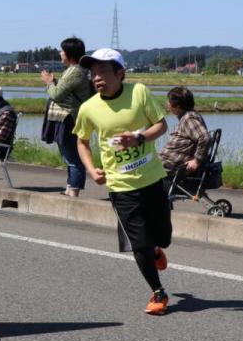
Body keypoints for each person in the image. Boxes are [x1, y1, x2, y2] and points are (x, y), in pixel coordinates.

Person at [72, 48, 172, 315]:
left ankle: (156, 249)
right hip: (120, 186)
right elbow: (81, 141)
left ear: (120, 73)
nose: (97, 78)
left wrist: (138, 138)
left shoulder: (138, 92)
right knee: (137, 243)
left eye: (103, 71)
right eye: (93, 73)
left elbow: (161, 125)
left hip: (152, 179)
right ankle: (158, 293)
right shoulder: (89, 108)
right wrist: (92, 170)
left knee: (164, 236)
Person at [41, 36, 95, 197]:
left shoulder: (75, 71)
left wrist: (49, 82)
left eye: (62, 51)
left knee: (72, 156)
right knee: (68, 156)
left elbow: (56, 94)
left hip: (68, 118)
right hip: (64, 118)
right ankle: (70, 188)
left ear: (69, 54)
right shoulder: (74, 71)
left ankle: (73, 190)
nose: (60, 53)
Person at [159, 85, 210, 176]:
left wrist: (197, 161)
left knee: (141, 164)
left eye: (169, 102)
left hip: (172, 165)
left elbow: (204, 137)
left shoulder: (189, 119)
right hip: (168, 161)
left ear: (177, 105)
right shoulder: (188, 116)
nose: (167, 104)